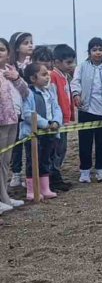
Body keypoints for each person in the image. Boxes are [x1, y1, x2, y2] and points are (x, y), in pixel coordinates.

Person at [71, 38, 102, 184]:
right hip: (86, 110)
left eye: (100, 50)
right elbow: (75, 82)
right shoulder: (81, 67)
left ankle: (101, 169)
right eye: (94, 50)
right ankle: (85, 171)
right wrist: (76, 94)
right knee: (85, 142)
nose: (97, 53)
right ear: (89, 52)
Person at [20, 63, 62, 201]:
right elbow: (27, 113)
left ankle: (45, 188)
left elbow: (56, 108)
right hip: (34, 134)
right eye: (43, 74)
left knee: (45, 159)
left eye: (47, 74)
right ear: (33, 78)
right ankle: (32, 190)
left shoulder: (49, 92)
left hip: (49, 133)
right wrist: (45, 124)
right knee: (33, 161)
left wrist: (56, 122)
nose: (47, 77)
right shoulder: (29, 93)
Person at [0, 38, 28, 212]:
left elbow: (25, 92)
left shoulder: (11, 71)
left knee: (5, 161)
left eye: (2, 49)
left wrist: (16, 77)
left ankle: (4, 196)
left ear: (8, 53)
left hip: (13, 120)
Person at [49, 44, 76, 191]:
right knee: (56, 149)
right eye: (68, 62)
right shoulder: (53, 76)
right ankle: (53, 177)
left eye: (72, 61)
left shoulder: (65, 76)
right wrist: (56, 119)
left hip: (64, 120)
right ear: (57, 62)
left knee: (62, 148)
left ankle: (56, 174)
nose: (71, 65)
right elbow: (53, 99)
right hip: (56, 121)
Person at [7, 31, 33, 188]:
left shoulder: (33, 65)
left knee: (30, 142)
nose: (30, 45)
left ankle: (30, 174)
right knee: (15, 144)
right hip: (15, 110)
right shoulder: (10, 67)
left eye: (31, 42)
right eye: (25, 43)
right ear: (16, 48)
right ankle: (16, 174)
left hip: (30, 110)